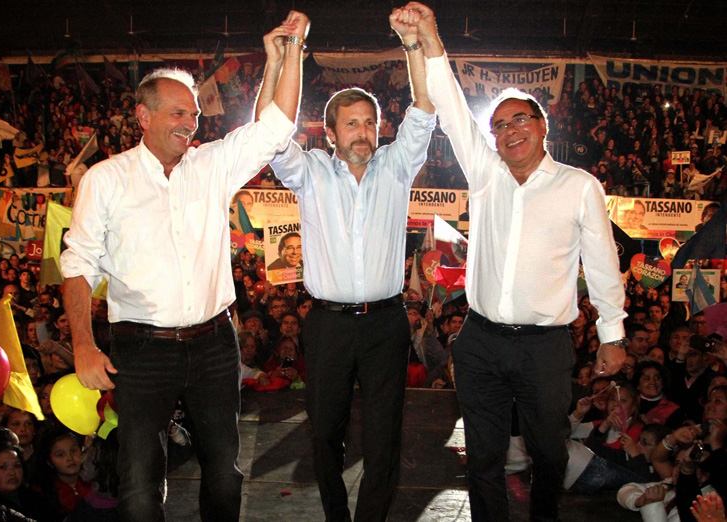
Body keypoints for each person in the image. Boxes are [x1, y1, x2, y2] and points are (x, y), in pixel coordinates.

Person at [58, 13, 307, 522]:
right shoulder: (105, 180)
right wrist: (83, 344)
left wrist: (287, 55)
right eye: (177, 113)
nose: (189, 123)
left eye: (193, 114)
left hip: (215, 344)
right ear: (143, 116)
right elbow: (77, 264)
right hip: (141, 349)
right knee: (139, 482)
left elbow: (276, 126)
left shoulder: (211, 165)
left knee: (224, 473)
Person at [406, 3, 628, 521]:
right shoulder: (485, 175)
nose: (509, 131)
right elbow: (451, 105)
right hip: (481, 342)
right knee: (483, 457)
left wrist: (613, 335)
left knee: (548, 453)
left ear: (542, 125)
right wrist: (429, 36)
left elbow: (601, 263)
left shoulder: (579, 186)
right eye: (499, 125)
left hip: (544, 348)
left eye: (520, 119)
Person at [258, 7, 435, 521]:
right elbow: (267, 132)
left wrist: (412, 45)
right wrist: (281, 59)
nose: (363, 131)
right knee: (324, 433)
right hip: (328, 325)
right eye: (352, 123)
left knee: (384, 436)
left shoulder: (397, 166)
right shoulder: (309, 171)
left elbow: (425, 107)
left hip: (385, 322)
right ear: (330, 132)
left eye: (370, 122)